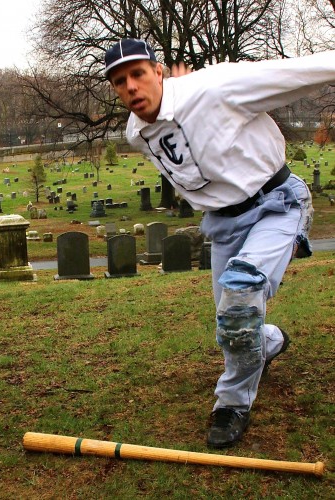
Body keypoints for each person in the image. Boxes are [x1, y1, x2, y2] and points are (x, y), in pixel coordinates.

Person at [104, 38, 335, 448]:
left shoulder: (217, 87)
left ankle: (231, 405)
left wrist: (189, 92)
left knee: (241, 293)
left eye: (138, 73)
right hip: (224, 225)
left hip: (275, 204)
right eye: (120, 82)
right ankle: (271, 341)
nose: (131, 88)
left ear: (158, 71)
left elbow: (302, 73)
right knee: (231, 325)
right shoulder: (136, 132)